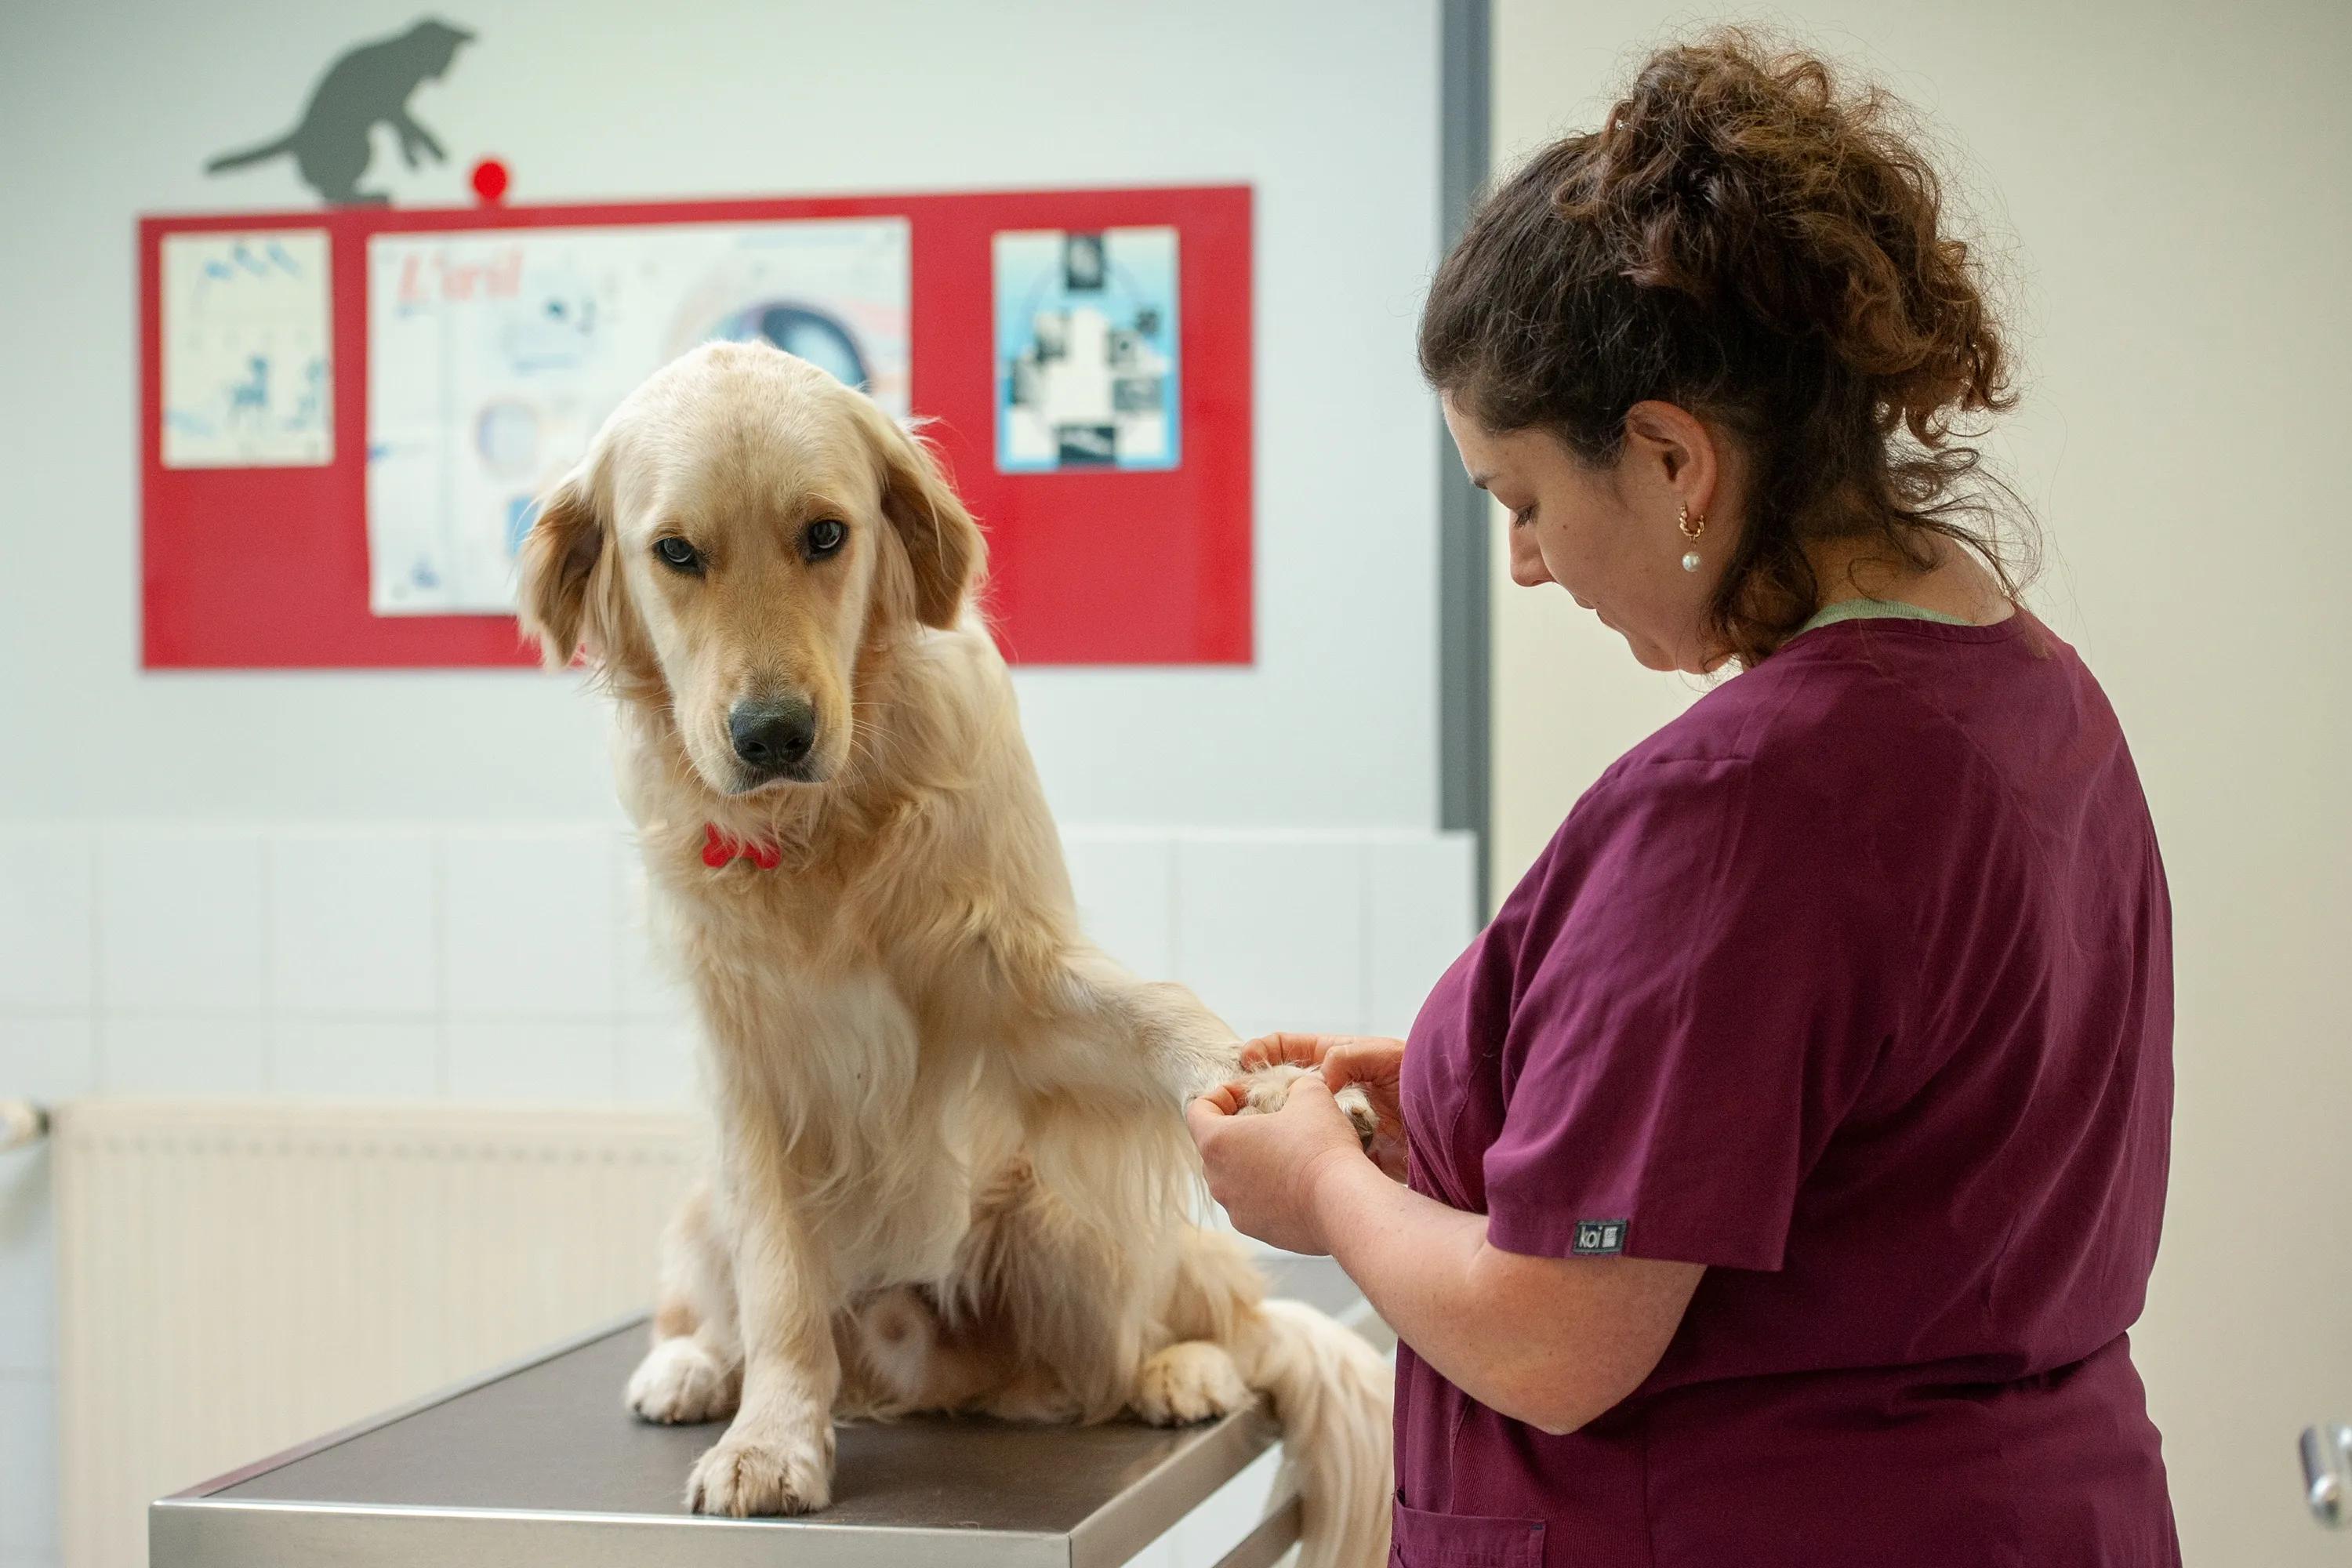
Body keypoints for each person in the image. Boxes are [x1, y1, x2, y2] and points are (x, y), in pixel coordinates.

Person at [1186, 29, 2179, 1567]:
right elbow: (1848, 1139)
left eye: (1524, 500)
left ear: (1669, 457)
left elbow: (1557, 1332)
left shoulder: (1747, 799)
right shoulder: (2033, 698)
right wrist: (1482, 1083)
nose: (1523, 562)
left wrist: (1320, 1182)